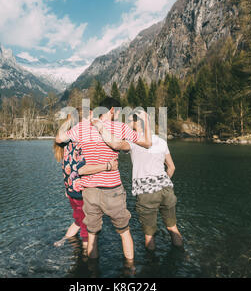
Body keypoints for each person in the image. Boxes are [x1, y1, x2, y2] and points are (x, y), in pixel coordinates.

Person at [55, 97, 152, 261]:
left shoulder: (82, 127)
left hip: (89, 191)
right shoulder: (120, 127)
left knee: (92, 235)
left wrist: (70, 121)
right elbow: (147, 143)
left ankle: (92, 271)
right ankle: (130, 268)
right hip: (112, 188)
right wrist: (147, 121)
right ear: (113, 110)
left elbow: (58, 139)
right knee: (124, 231)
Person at [92, 111, 183, 251]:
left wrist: (99, 127)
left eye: (130, 121)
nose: (127, 124)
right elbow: (172, 167)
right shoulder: (161, 141)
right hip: (166, 189)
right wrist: (160, 183)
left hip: (146, 193)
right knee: (172, 227)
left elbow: (115, 144)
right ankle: (181, 255)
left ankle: (151, 266)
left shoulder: (133, 141)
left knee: (149, 234)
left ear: (137, 122)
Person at [53, 114, 119, 252]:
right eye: (89, 117)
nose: (93, 120)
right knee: (86, 229)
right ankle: (86, 258)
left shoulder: (66, 144)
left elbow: (67, 170)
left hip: (71, 192)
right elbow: (82, 169)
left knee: (78, 219)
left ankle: (63, 240)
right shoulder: (81, 143)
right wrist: (107, 166)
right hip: (82, 191)